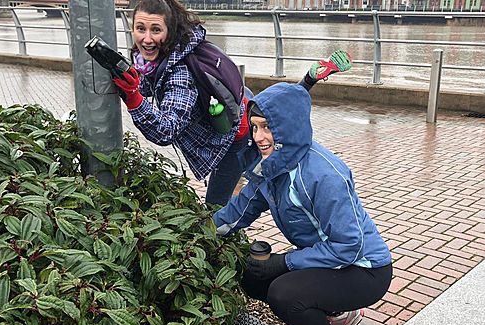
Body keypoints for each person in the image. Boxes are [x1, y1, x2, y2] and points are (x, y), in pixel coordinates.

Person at [213, 82, 392, 325]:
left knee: (284, 294)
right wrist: (202, 232)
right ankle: (338, 314)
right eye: (254, 128)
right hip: (332, 262)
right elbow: (240, 210)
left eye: (267, 127)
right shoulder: (271, 166)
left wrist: (285, 262)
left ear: (288, 128)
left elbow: (349, 245)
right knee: (253, 277)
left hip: (365, 270)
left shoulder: (324, 175)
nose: (259, 137)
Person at [112, 0, 351, 206]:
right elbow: (148, 83)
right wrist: (127, 83)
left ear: (170, 31)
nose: (147, 38)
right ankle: (308, 80)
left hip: (235, 137)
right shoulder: (164, 56)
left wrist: (132, 96)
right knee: (272, 148)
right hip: (240, 108)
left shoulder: (180, 73)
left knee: (218, 208)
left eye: (156, 30)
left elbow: (165, 130)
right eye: (140, 28)